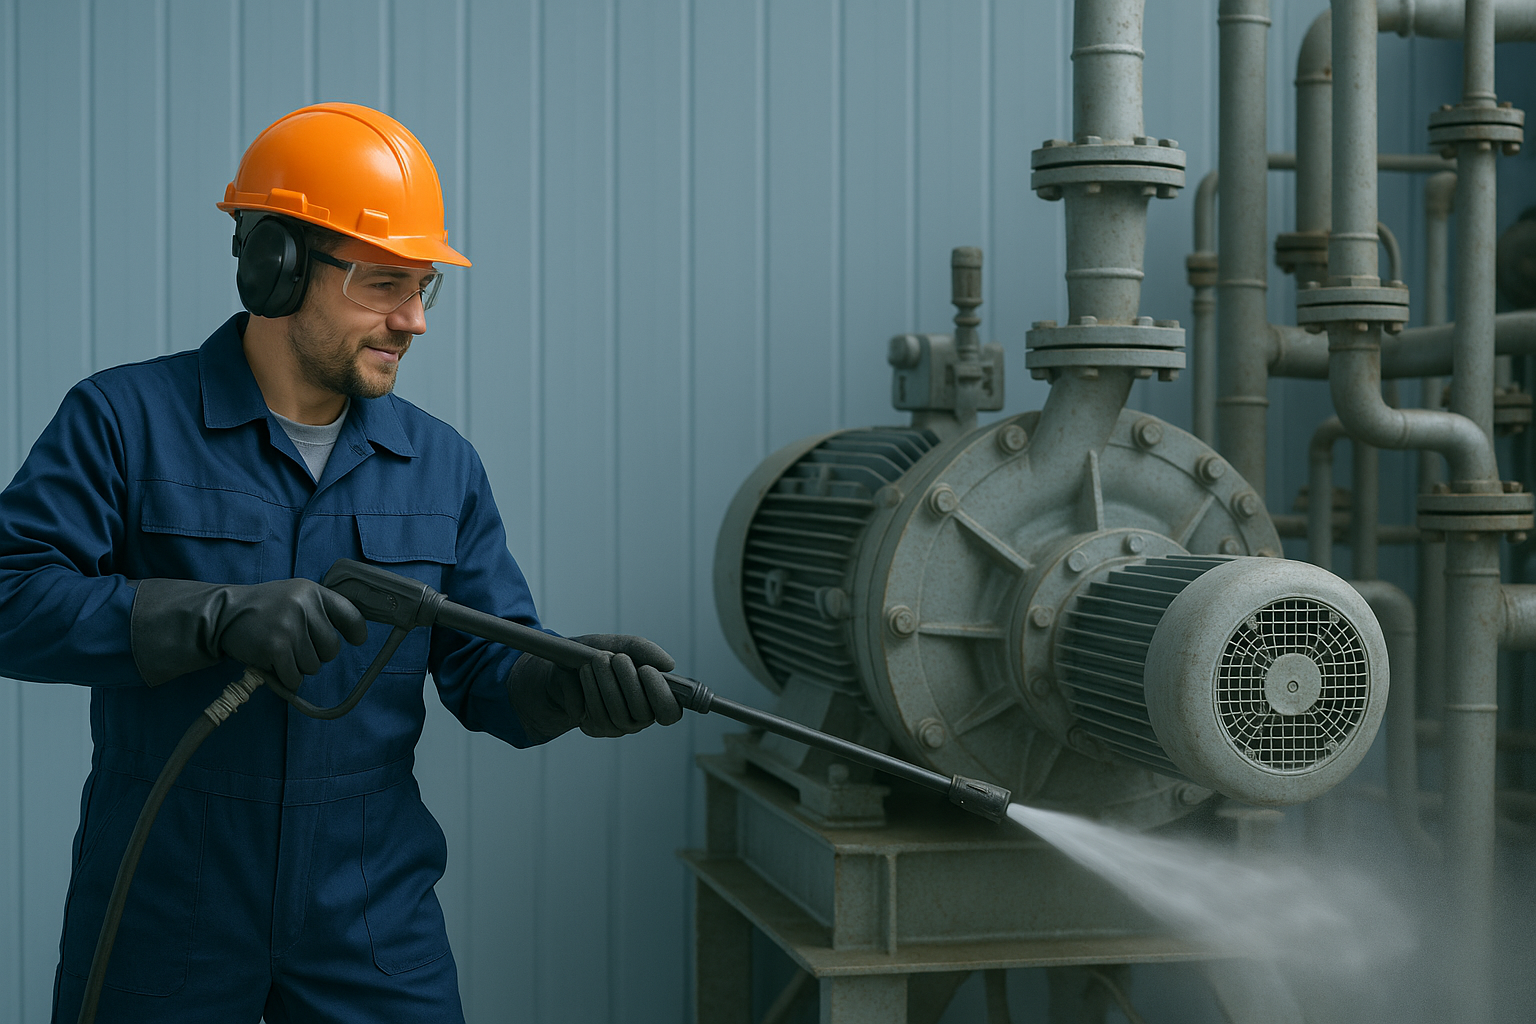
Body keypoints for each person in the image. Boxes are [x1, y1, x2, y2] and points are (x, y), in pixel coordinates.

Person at [0, 102, 681, 1023]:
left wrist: (567, 686)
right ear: (273, 265)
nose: (413, 320)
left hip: (368, 916)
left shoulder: (441, 466)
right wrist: (211, 615)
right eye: (382, 283)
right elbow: (12, 595)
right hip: (166, 903)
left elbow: (486, 672)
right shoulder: (123, 424)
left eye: (425, 286)